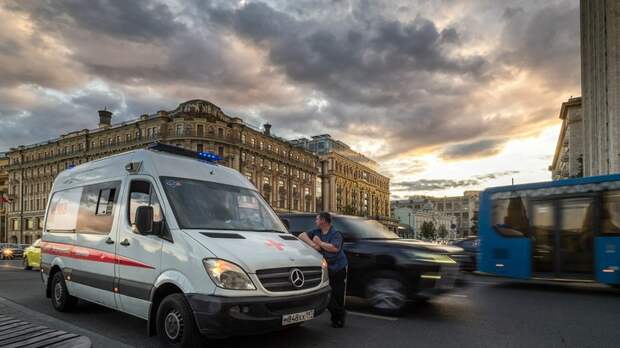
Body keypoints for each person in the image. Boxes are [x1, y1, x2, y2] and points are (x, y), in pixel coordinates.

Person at [298, 212, 348, 328]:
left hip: (338, 268)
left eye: (317, 219)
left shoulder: (336, 234)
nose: (315, 221)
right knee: (328, 293)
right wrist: (313, 244)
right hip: (325, 267)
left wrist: (320, 243)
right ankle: (339, 316)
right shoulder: (316, 231)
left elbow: (335, 248)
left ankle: (337, 319)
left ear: (323, 221)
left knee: (338, 295)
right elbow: (301, 235)